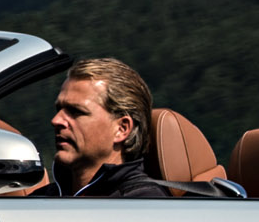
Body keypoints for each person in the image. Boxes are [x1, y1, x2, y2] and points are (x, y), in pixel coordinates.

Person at [37, 57, 178, 198]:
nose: (56, 120)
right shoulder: (40, 200)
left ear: (121, 129)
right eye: (59, 109)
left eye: (76, 111)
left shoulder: (142, 205)